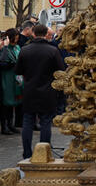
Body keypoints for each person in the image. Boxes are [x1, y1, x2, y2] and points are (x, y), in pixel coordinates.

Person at [14, 24, 65, 159]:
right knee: (46, 122)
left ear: (34, 34)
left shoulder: (25, 50)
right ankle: (44, 153)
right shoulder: (52, 50)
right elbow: (60, 70)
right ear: (46, 34)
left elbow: (18, 70)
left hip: (30, 90)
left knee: (28, 121)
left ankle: (27, 153)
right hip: (48, 91)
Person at [0, 29, 22, 136]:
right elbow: (0, 62)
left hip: (16, 78)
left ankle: (11, 124)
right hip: (6, 77)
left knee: (14, 102)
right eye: (15, 36)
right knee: (6, 102)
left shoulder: (17, 47)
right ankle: (4, 126)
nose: (17, 38)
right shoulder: (3, 48)